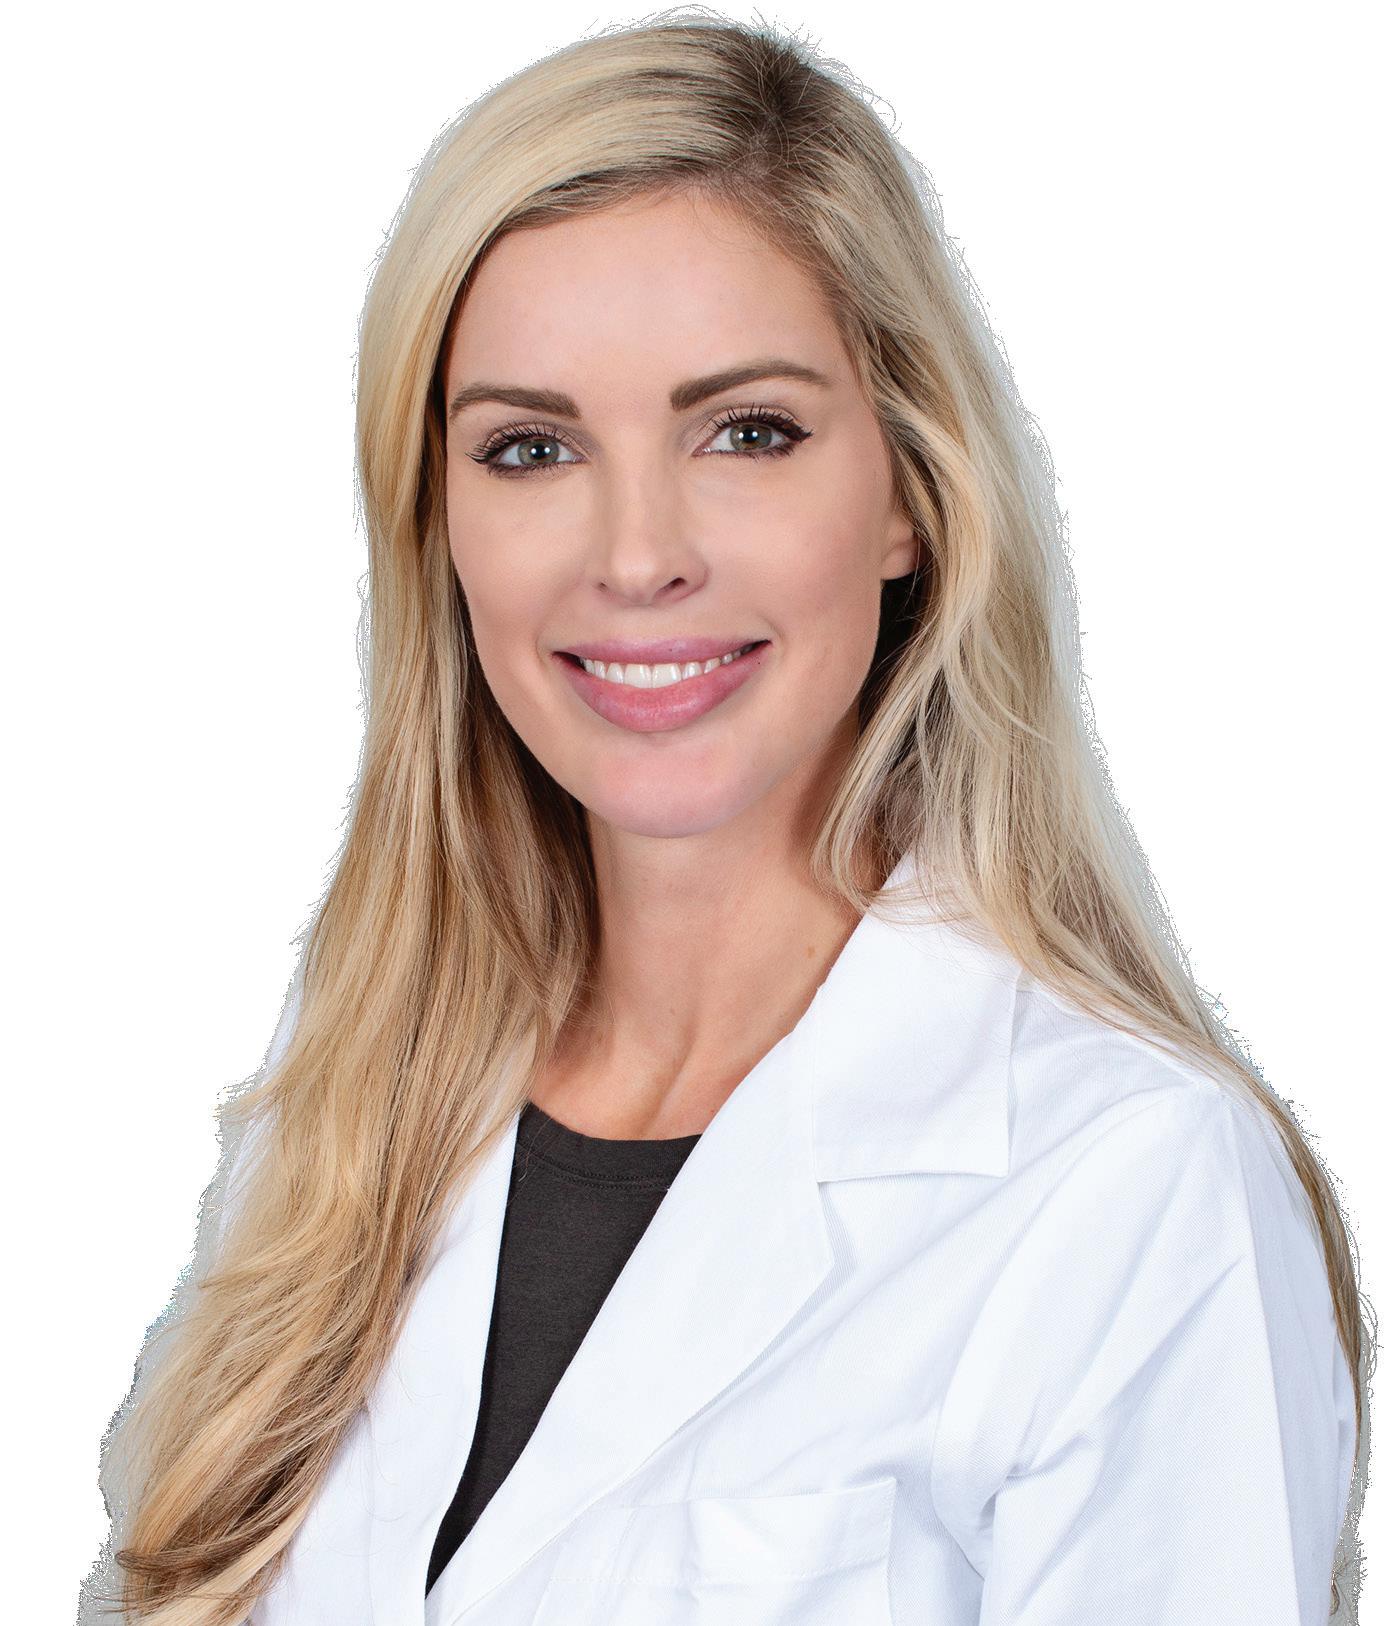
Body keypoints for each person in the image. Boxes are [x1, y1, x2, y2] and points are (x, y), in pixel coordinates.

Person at [82, 12, 1368, 1625]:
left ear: (909, 494)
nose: (636, 555)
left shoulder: (1127, 1187)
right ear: (440, 525)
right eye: (530, 447)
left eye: (745, 431)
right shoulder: (344, 1111)